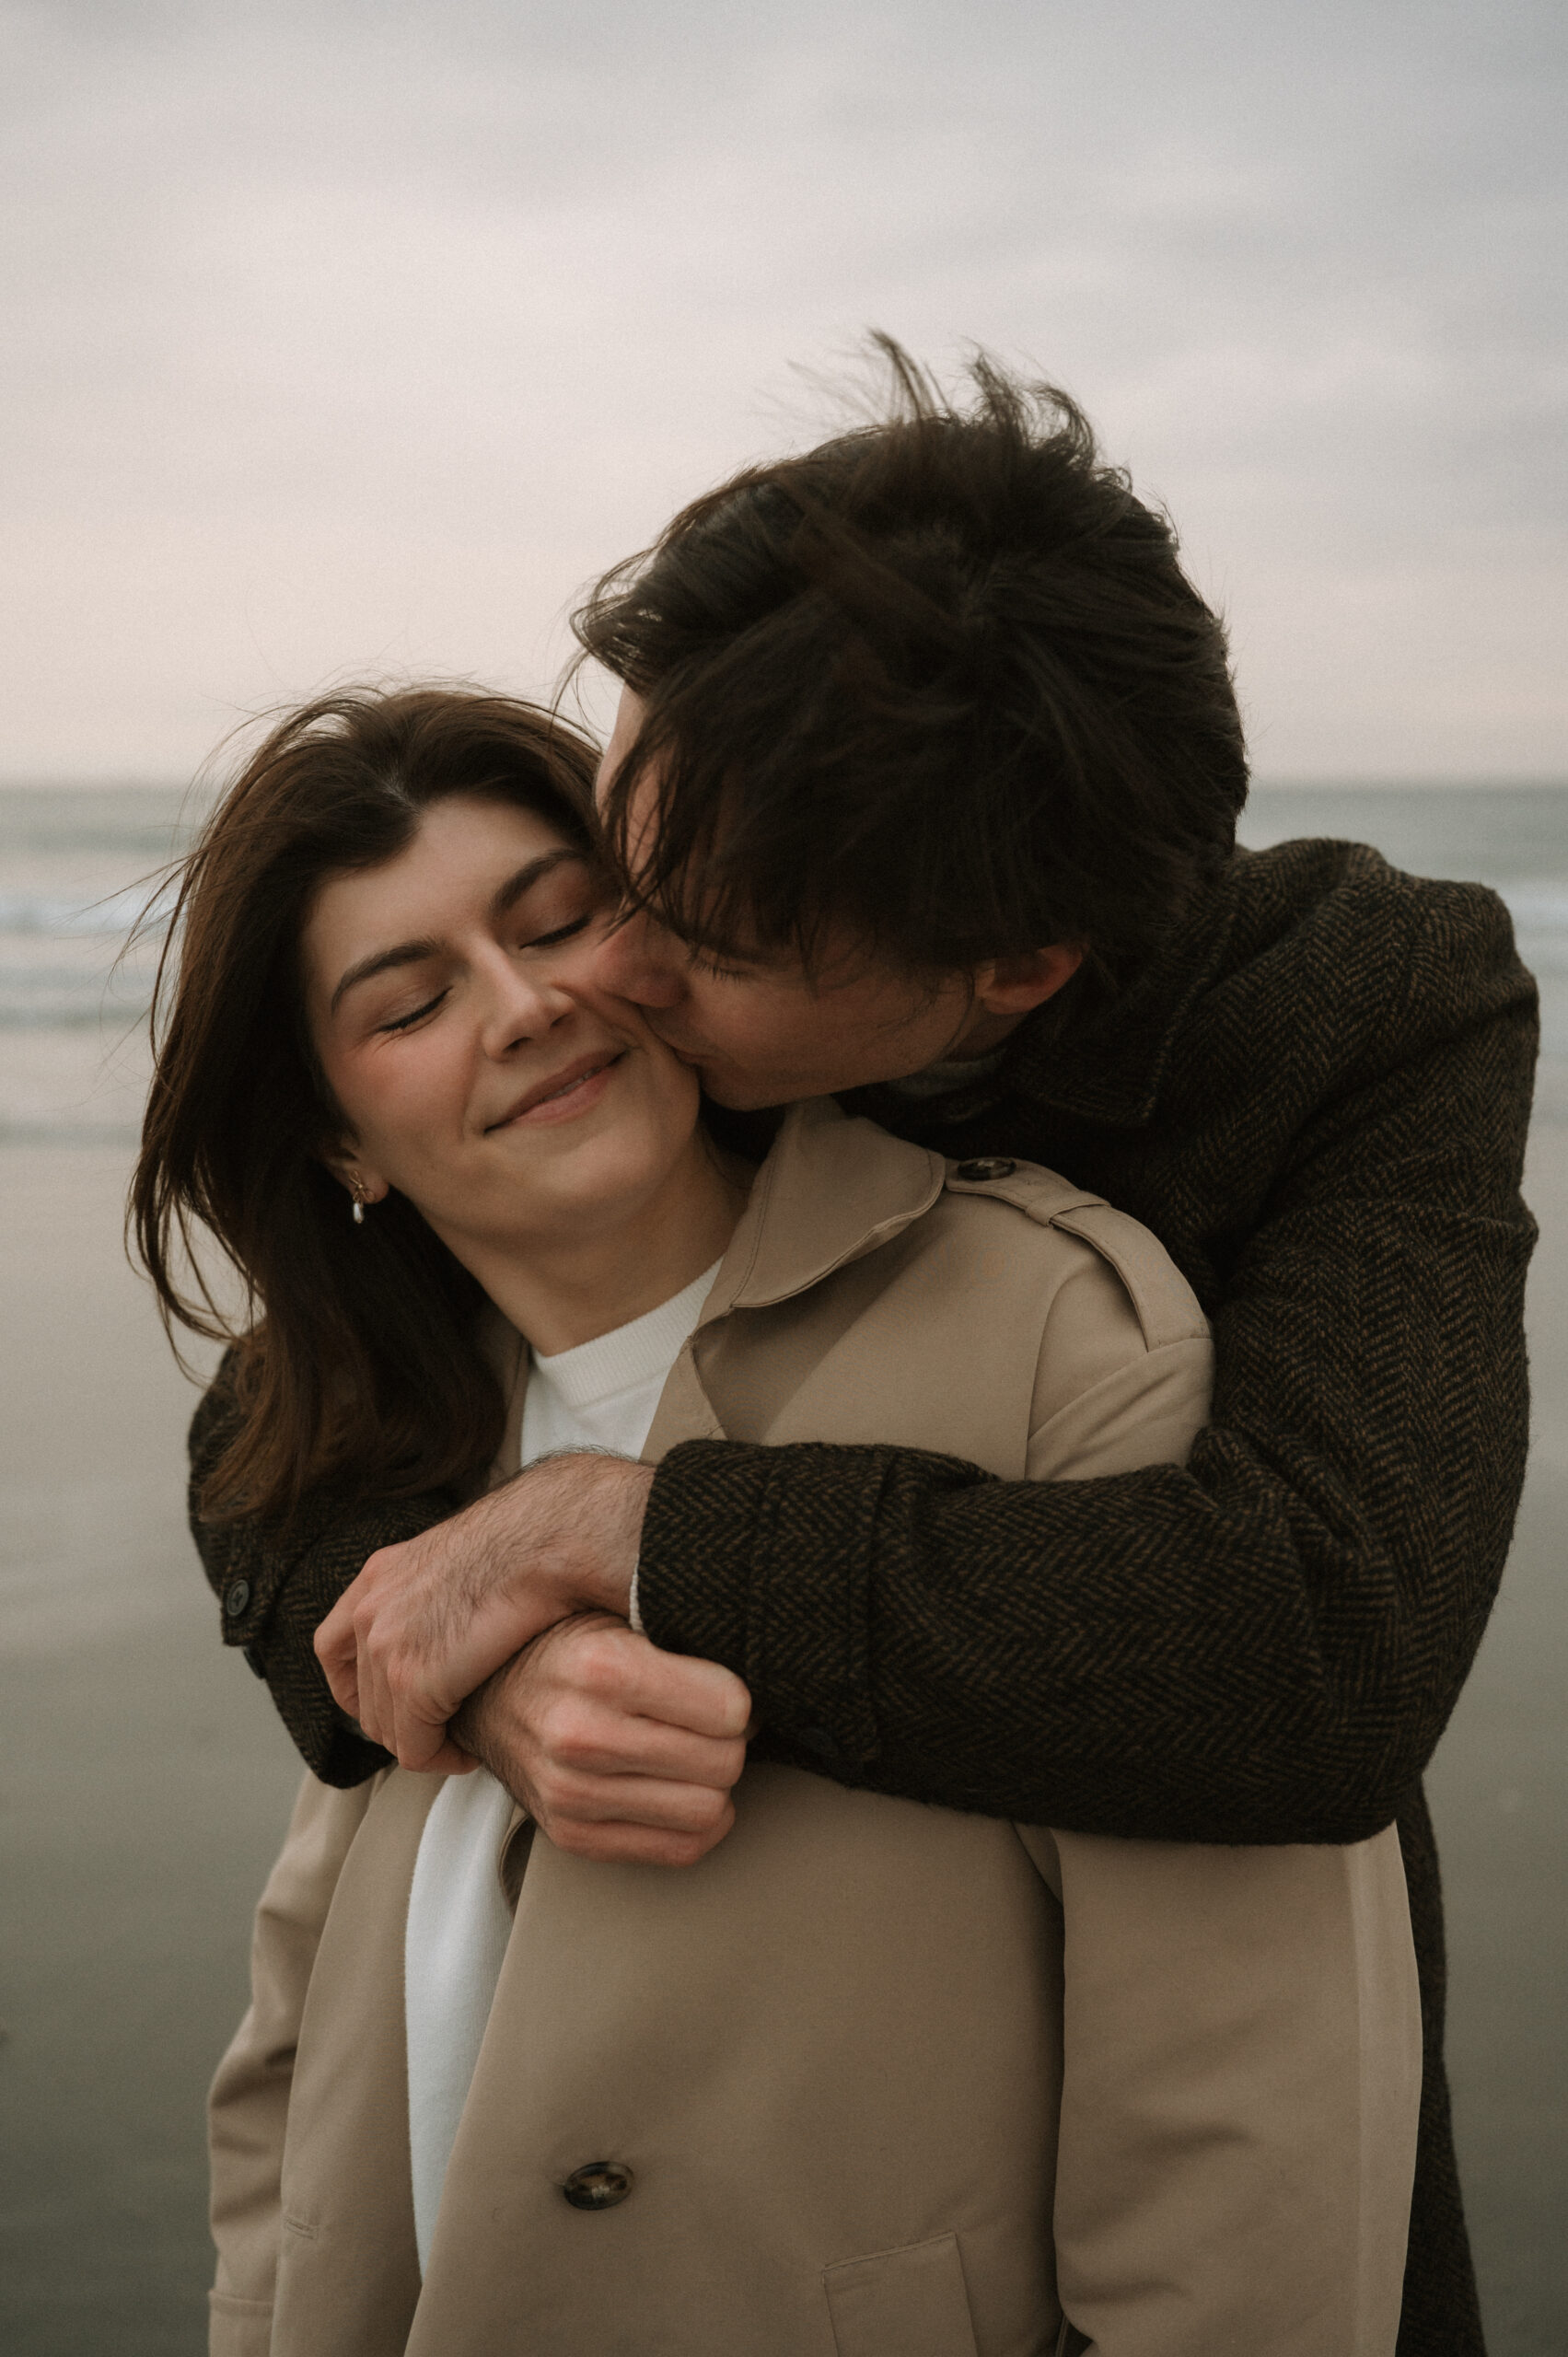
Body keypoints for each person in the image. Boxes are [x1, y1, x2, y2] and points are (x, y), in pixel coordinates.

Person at [185, 348, 1538, 2357]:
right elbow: (295, 1414)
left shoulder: (1347, 1017)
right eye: (618, 857)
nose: (600, 976)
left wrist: (628, 1533)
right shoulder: (736, 904)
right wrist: (479, 1662)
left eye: (692, 941)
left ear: (1008, 977)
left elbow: (1315, 1654)